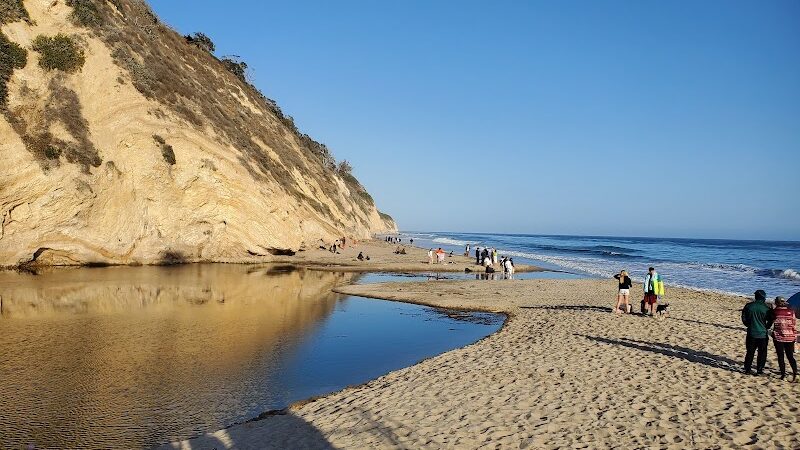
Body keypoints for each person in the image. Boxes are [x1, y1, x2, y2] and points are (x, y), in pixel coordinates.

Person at [742, 289, 772, 375]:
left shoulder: (748, 306)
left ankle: (747, 369)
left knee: (750, 352)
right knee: (762, 353)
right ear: (764, 298)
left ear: (755, 297)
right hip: (762, 334)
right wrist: (767, 327)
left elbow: (744, 319)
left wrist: (749, 325)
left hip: (751, 333)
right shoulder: (766, 308)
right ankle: (759, 370)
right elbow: (770, 320)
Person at [768, 296, 797, 381]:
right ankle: (795, 373)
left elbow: (770, 323)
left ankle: (783, 374)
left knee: (780, 356)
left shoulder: (775, 312)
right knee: (790, 356)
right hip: (790, 336)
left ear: (776, 303)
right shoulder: (791, 312)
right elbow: (794, 323)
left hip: (779, 337)